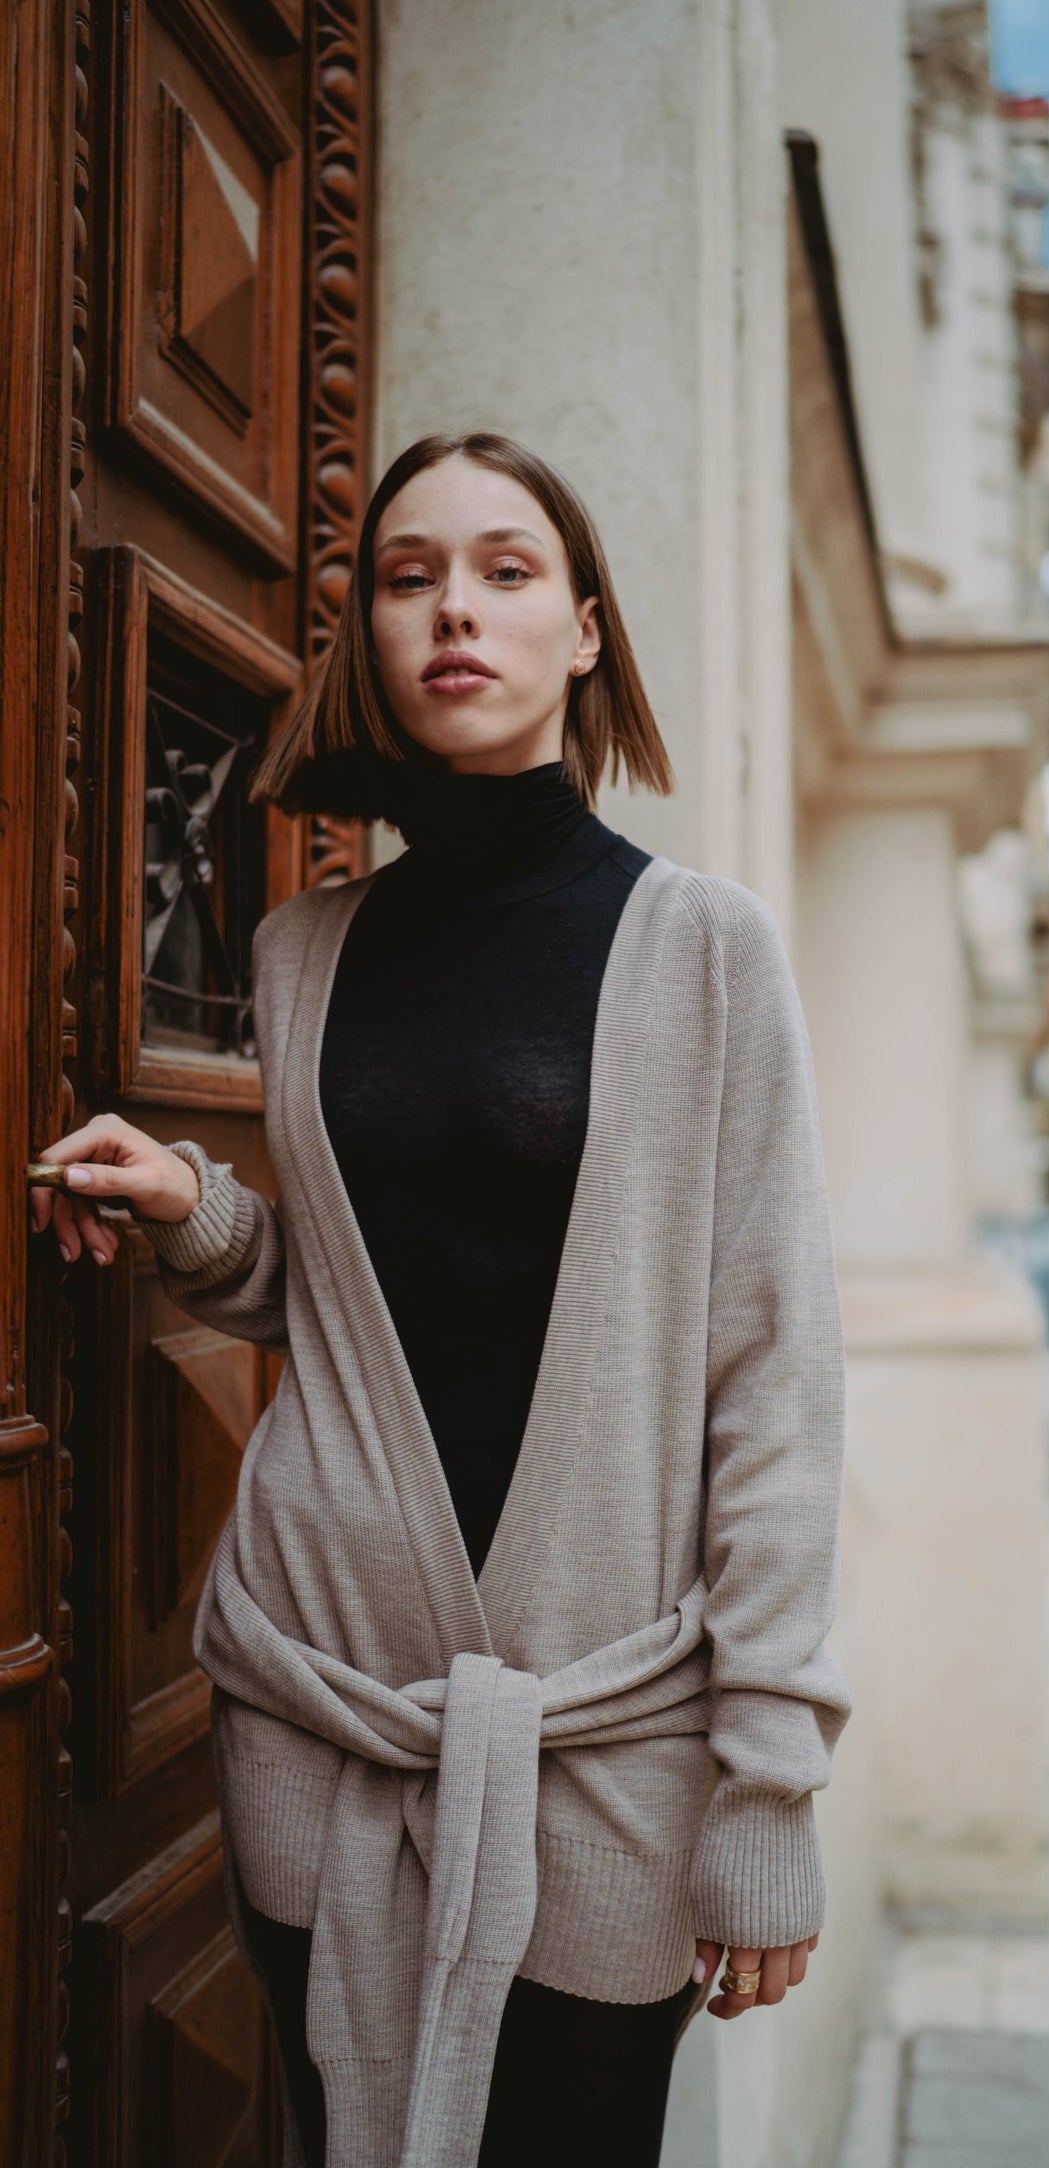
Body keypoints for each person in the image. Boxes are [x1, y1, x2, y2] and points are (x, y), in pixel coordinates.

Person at [29, 432, 851, 2167]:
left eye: (502, 570)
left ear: (584, 631)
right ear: (367, 638)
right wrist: (198, 1211)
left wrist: (765, 1788)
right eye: (405, 579)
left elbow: (771, 1378)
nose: (449, 611)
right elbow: (340, 1296)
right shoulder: (299, 953)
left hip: (603, 1740)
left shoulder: (704, 950)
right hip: (318, 1713)